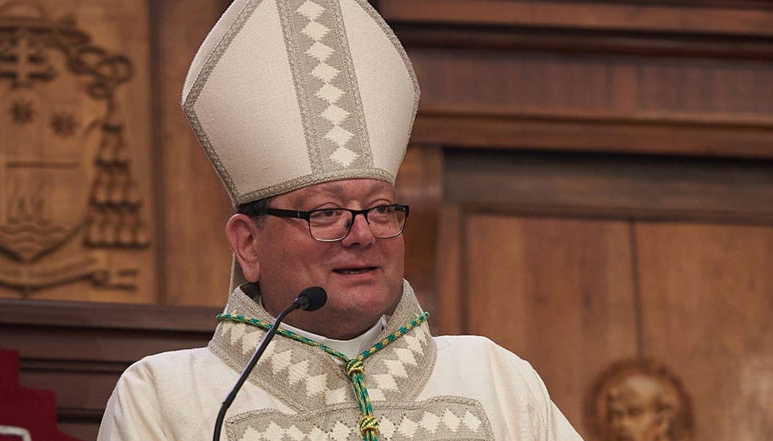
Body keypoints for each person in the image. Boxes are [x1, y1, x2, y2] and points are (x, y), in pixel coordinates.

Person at [97, 0, 584, 440]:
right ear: (248, 244)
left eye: (379, 209)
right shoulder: (165, 395)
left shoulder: (495, 377)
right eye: (327, 213)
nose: (363, 234)